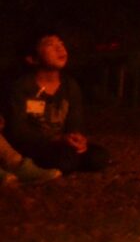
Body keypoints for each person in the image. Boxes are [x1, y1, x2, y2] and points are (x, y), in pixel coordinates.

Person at [5, 33, 109, 172]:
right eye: (50, 45)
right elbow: (18, 131)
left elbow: (75, 122)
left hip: (63, 145)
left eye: (60, 43)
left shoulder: (70, 85)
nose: (60, 48)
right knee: (63, 159)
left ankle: (69, 161)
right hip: (35, 145)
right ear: (32, 58)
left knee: (98, 157)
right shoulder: (22, 87)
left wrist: (78, 139)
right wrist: (56, 139)